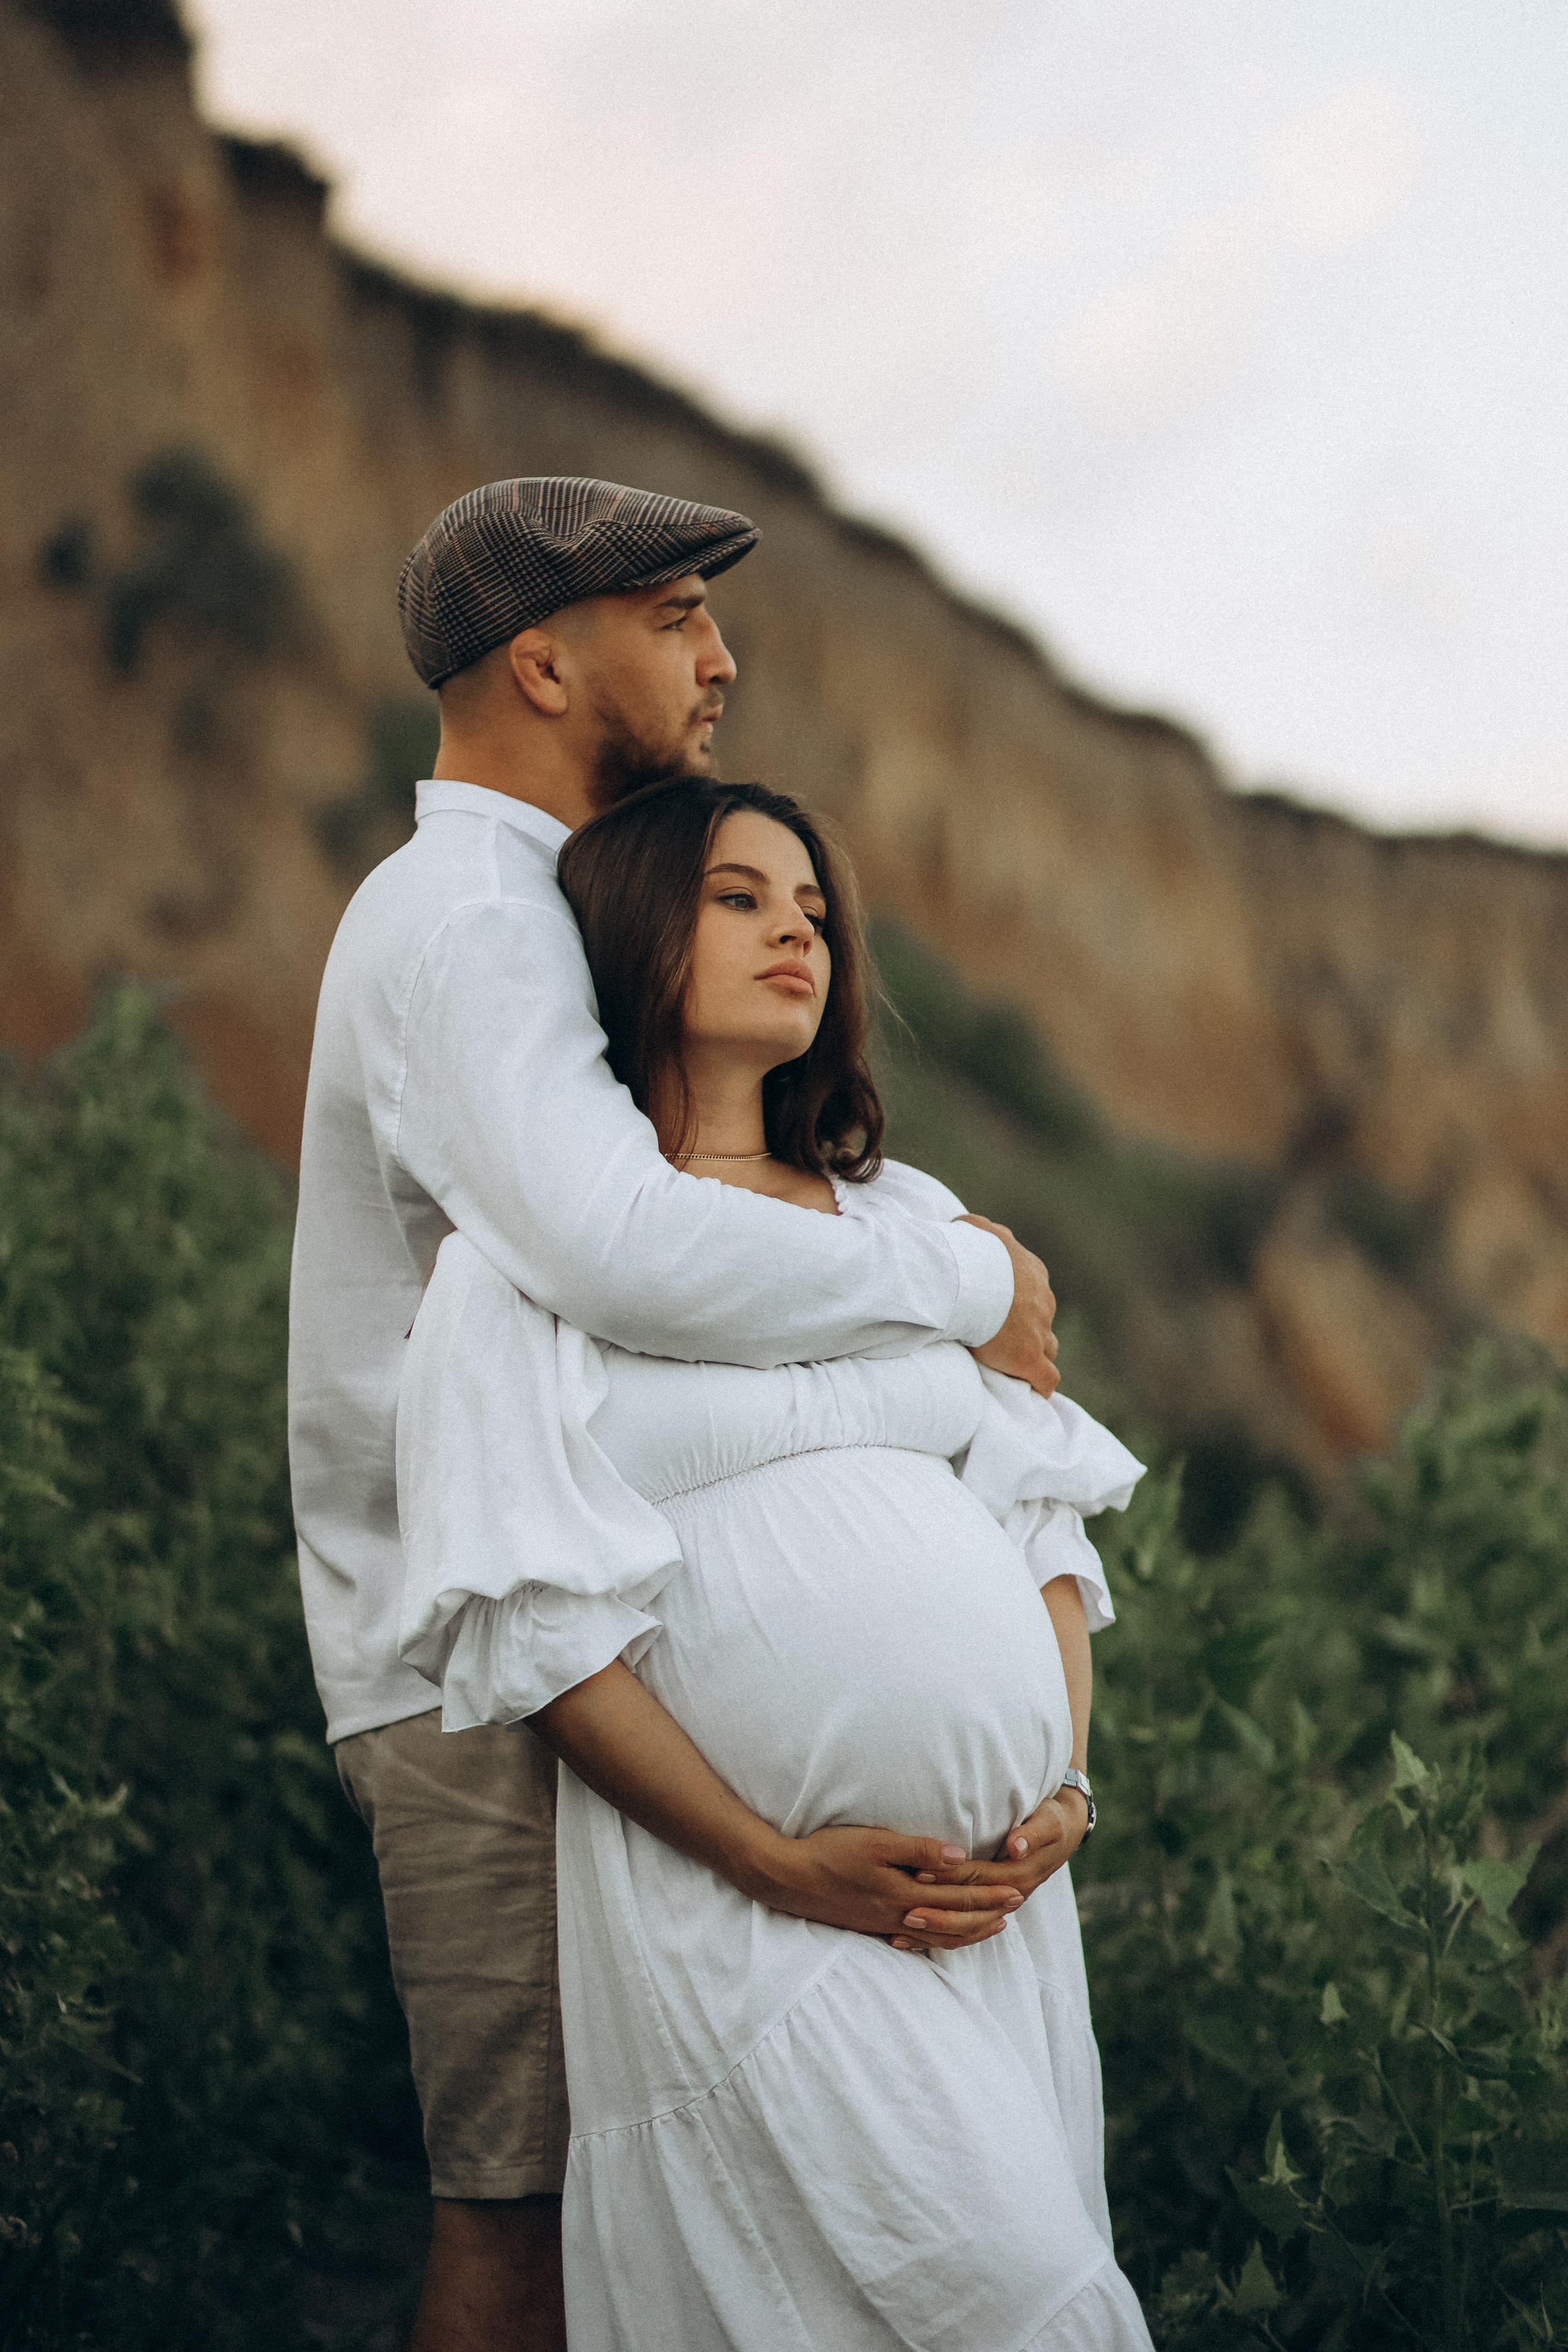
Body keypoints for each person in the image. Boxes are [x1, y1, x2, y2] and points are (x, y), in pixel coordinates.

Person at [288, 478, 1063, 2352]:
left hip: (605, 1648)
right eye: (673, 617)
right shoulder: (469, 918)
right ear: (543, 664)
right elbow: (621, 1248)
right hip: (485, 1666)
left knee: (688, 2227)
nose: (721, 660)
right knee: (529, 2221)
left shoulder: (548, 911)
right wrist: (967, 1282)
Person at [396, 775, 1153, 2350]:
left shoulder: (909, 1225)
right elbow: (541, 1638)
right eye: (737, 898)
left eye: (810, 908)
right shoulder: (528, 1268)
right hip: (754, 1918)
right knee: (1029, 2314)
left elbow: (1035, 1519)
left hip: (996, 1913)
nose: (794, 931)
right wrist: (769, 1860)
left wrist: (1066, 1792)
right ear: (631, 933)